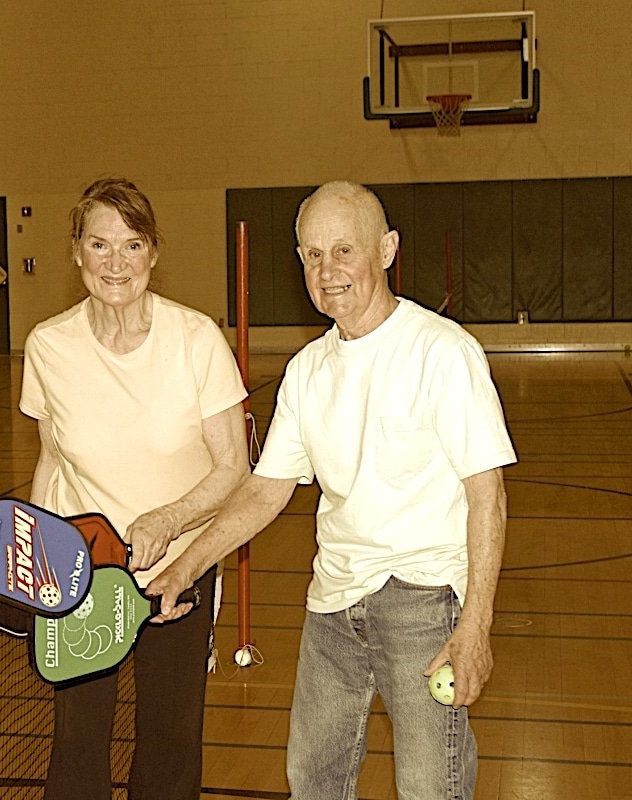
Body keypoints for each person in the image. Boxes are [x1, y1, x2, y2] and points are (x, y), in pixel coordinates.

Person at [149, 181, 515, 799]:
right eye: (313, 255)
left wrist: (475, 626)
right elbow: (265, 492)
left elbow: (488, 495)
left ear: (387, 249)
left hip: (425, 602)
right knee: (313, 782)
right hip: (332, 605)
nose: (327, 271)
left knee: (432, 789)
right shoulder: (306, 371)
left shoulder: (442, 352)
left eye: (344, 250)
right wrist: (185, 567)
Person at [20, 178, 250, 799]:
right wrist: (37, 565)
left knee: (170, 741)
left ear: (153, 251)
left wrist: (168, 522)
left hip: (178, 568)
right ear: (76, 251)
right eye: (99, 244)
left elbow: (233, 467)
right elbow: (51, 460)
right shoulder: (48, 345)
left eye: (132, 244)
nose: (115, 262)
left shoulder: (196, 339)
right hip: (82, 573)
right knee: (77, 740)